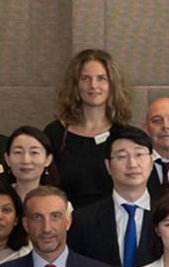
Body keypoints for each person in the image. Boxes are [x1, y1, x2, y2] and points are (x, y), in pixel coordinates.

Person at [43, 47, 132, 205]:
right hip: (66, 224)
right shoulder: (55, 133)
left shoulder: (125, 134)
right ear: (75, 85)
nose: (93, 85)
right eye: (85, 78)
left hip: (112, 224)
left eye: (101, 78)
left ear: (112, 84)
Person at [69, 126, 165, 267]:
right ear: (108, 166)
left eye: (139, 154)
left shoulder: (167, 215)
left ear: (151, 161)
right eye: (122, 157)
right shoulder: (83, 219)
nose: (132, 164)